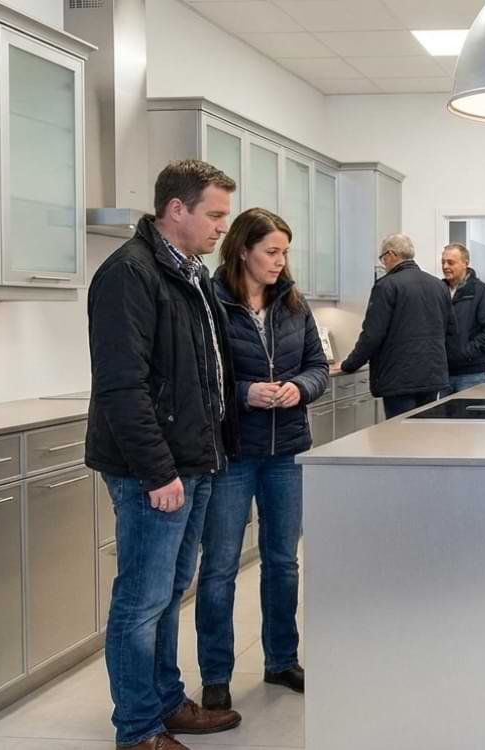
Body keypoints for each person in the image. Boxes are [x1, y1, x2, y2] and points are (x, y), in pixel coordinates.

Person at [85, 160, 242, 750]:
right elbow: (122, 386)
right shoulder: (130, 273)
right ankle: (138, 729)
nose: (222, 226)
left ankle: (167, 702)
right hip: (154, 471)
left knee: (171, 592)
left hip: (193, 462)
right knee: (141, 601)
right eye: (215, 214)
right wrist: (158, 471)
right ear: (176, 209)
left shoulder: (191, 274)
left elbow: (203, 373)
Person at [195, 208, 329, 712]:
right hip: (232, 453)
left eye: (284, 253)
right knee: (219, 568)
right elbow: (200, 376)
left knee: (282, 563)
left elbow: (318, 367)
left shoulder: (293, 303)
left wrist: (299, 388)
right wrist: (245, 393)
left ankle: (281, 661)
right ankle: (215, 675)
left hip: (287, 452)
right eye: (271, 251)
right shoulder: (211, 302)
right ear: (243, 250)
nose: (279, 261)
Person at [340, 233, 456, 418]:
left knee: (399, 433)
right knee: (427, 432)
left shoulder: (386, 286)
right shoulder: (439, 286)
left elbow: (372, 335)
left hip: (398, 380)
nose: (383, 263)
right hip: (432, 377)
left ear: (391, 254)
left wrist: (349, 364)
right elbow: (451, 331)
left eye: (383, 258)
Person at [440, 242, 485, 395]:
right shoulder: (438, 290)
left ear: (465, 263)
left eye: (451, 262)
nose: (445, 266)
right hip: (442, 374)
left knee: (471, 411)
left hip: (471, 374)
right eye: (443, 262)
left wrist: (466, 353)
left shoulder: (481, 292)